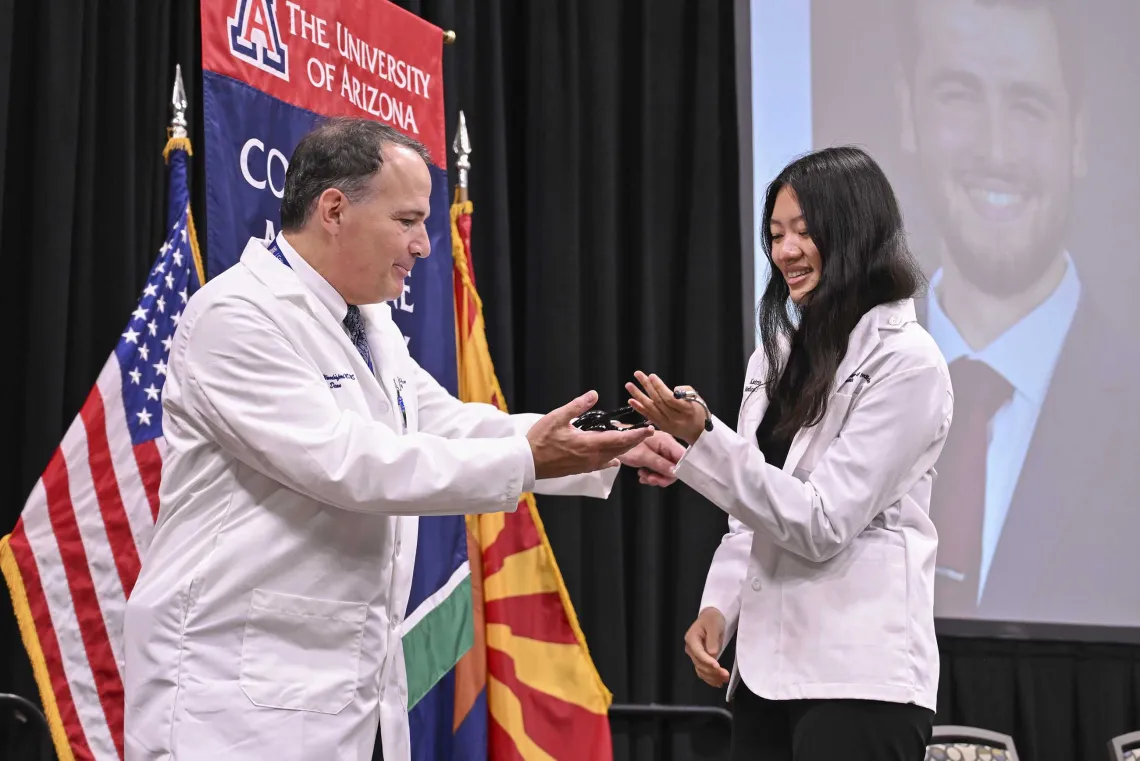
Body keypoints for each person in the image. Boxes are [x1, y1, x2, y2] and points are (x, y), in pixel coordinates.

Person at [121, 117, 685, 761]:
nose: (424, 244)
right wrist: (526, 460)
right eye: (408, 219)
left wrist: (602, 440)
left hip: (325, 695)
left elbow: (444, 423)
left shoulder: (368, 321)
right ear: (334, 209)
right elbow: (348, 464)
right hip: (227, 697)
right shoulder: (238, 315)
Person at [627, 146, 953, 761]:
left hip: (860, 679)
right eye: (776, 235)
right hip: (765, 677)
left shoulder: (907, 361)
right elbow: (753, 509)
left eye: (805, 232)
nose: (786, 252)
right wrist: (719, 607)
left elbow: (821, 523)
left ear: (856, 233)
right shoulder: (774, 357)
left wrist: (702, 441)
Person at [894, 0, 1140, 624]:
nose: (996, 148)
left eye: (1028, 105)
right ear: (909, 115)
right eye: (959, 95)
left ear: (1077, 138)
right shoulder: (841, 382)